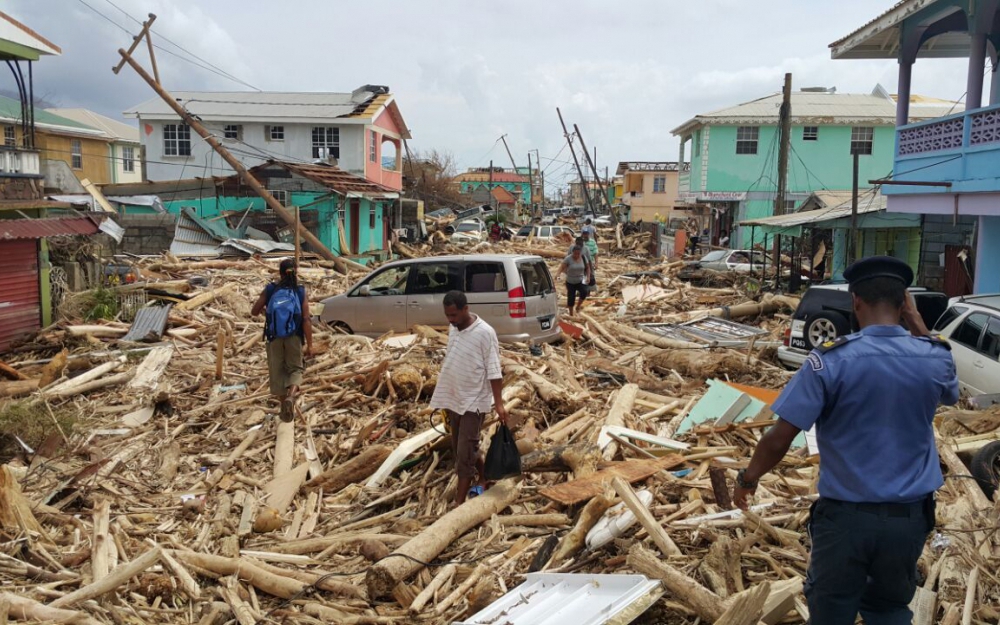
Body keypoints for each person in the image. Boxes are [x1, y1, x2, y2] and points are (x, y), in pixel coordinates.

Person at [732, 256, 958, 625]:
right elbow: (950, 392)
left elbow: (780, 437)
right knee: (889, 610)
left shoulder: (831, 361)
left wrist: (748, 478)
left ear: (855, 301)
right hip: (908, 521)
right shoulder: (934, 357)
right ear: (904, 304)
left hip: (846, 522)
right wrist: (917, 324)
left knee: (831, 611)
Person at [429, 291, 508, 504]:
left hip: (475, 402)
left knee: (464, 456)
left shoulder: (485, 333)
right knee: (462, 449)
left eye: (454, 315)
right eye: (447, 315)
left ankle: (459, 503)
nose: (450, 320)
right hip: (454, 399)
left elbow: (494, 370)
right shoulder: (454, 329)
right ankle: (483, 476)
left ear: (466, 309)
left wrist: (498, 404)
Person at [251, 258, 314, 422]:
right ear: (296, 272)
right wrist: (310, 344)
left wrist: (268, 312)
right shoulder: (300, 291)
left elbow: (254, 311)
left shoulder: (271, 289)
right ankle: (291, 396)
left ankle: (283, 409)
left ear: (279, 272)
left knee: (277, 372)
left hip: (274, 338)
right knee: (296, 369)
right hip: (294, 337)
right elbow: (306, 319)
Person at [556, 245, 591, 316]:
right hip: (570, 281)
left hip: (581, 279)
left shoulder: (583, 258)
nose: (577, 255)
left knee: (584, 292)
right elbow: (561, 267)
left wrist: (588, 277)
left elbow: (587, 268)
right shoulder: (568, 259)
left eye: (578, 254)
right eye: (575, 254)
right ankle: (571, 314)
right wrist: (558, 274)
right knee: (571, 297)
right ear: (572, 253)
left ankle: (578, 306)